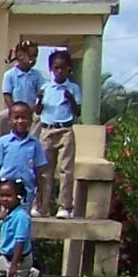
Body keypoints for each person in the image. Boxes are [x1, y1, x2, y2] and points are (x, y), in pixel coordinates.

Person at [38, 47, 83, 218]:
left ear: (68, 69)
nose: (59, 71)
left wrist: (70, 98)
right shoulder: (46, 88)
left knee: (66, 169)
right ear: (51, 69)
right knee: (44, 170)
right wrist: (40, 99)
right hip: (47, 129)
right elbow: (38, 110)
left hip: (65, 130)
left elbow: (77, 111)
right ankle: (43, 206)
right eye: (56, 68)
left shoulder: (73, 88)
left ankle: (65, 206)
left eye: (62, 68)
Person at [0, 102, 48, 202]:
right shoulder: (2, 142)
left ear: (30, 121)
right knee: (6, 216)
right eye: (16, 118)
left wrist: (40, 192)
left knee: (23, 216)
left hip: (27, 191)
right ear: (9, 121)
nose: (20, 121)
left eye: (24, 118)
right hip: (6, 191)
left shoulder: (35, 144)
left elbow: (38, 170)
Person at [2, 36, 46, 112]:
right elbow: (7, 96)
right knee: (2, 117)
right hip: (14, 110)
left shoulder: (37, 75)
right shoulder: (9, 75)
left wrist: (37, 106)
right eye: (31, 56)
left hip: (31, 110)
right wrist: (14, 110)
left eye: (35, 56)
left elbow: (41, 93)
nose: (33, 59)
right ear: (20, 56)